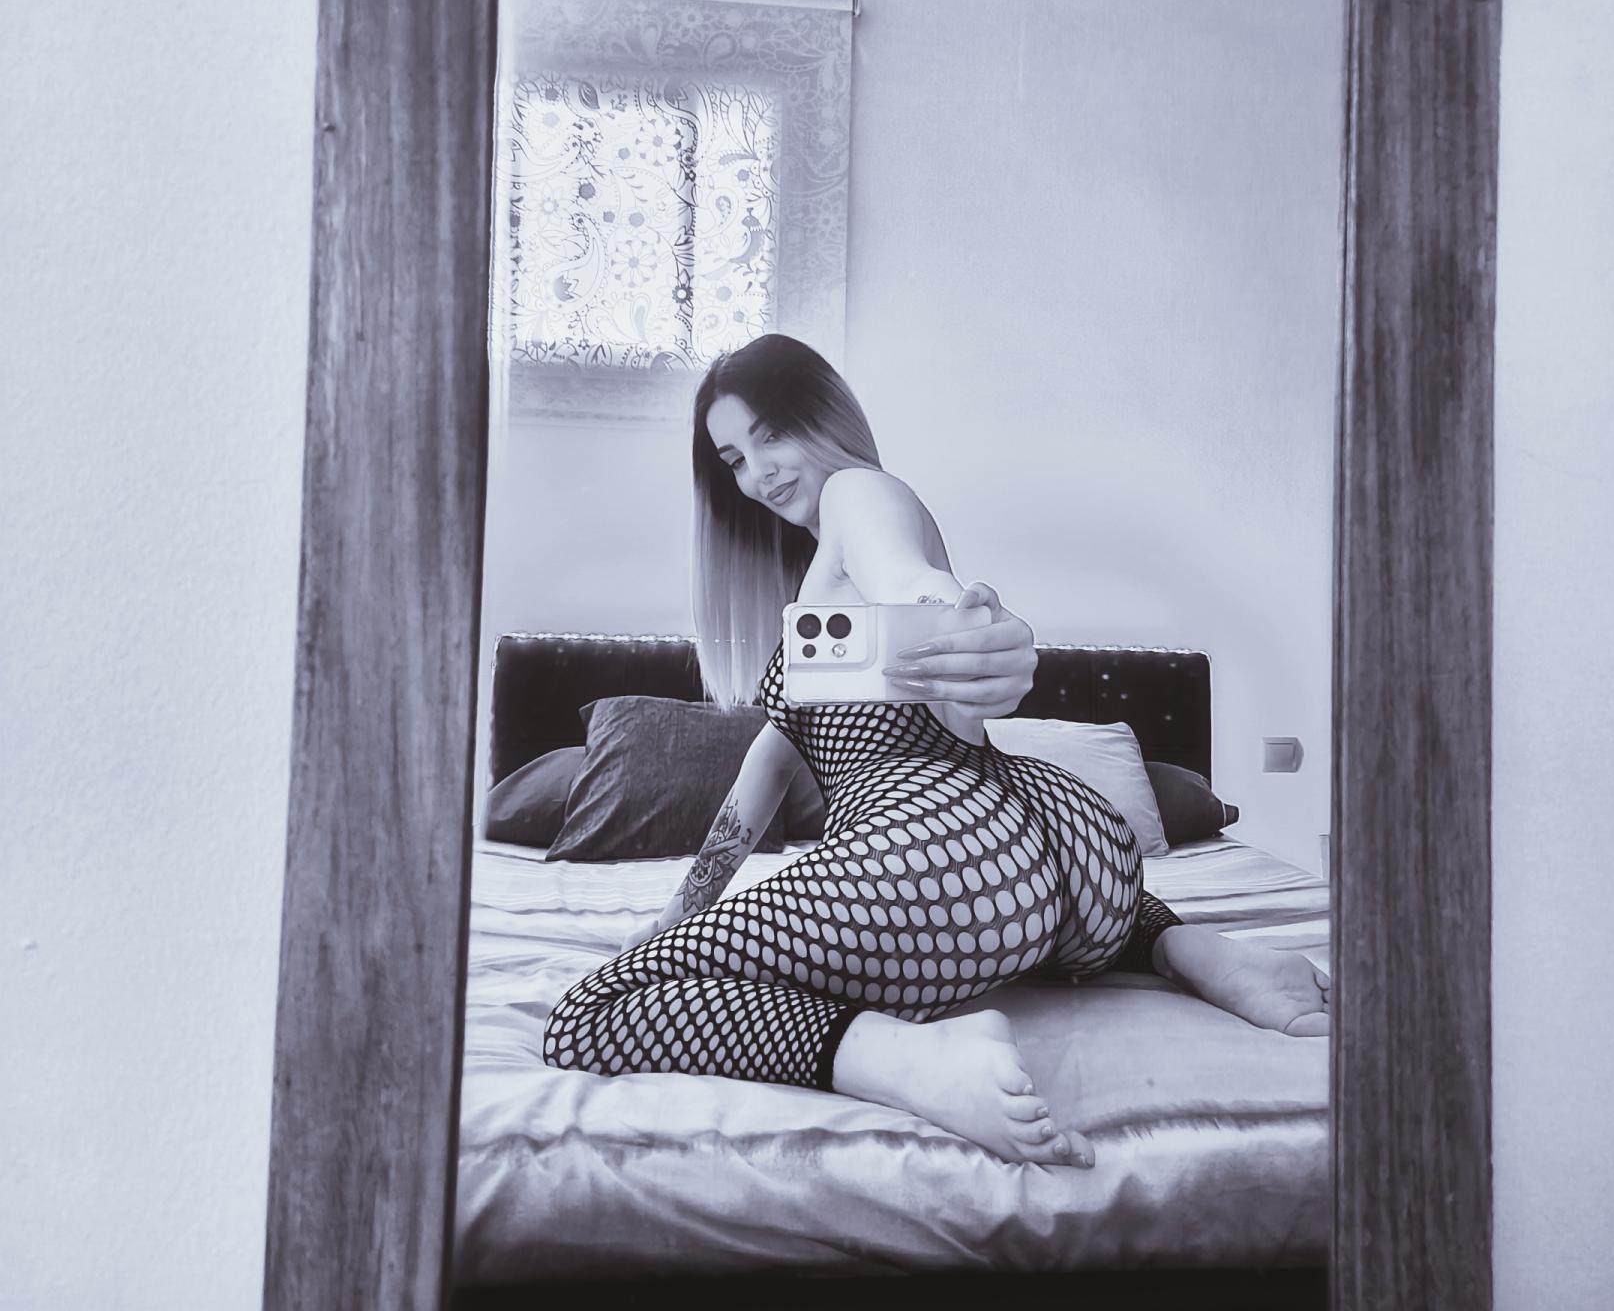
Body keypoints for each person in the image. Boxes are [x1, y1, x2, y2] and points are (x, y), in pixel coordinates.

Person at [542, 334, 1330, 1169]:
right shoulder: (818, 589)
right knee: (1017, 903)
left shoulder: (857, 494)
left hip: (942, 854)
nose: (758, 473)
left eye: (771, 435)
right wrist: (683, 910)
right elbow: (764, 769)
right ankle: (1193, 950)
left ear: (825, 414)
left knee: (592, 1013)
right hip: (1074, 851)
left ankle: (910, 1058)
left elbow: (911, 583)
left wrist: (978, 632)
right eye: (734, 459)